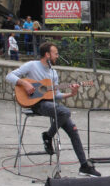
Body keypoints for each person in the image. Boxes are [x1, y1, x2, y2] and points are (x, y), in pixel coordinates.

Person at [6, 42, 101, 177]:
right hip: (36, 104)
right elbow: (9, 76)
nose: (57, 56)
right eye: (55, 53)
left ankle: (84, 166)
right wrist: (25, 83)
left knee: (73, 129)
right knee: (65, 112)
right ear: (47, 54)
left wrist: (71, 93)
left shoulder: (53, 73)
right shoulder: (32, 65)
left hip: (51, 105)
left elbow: (55, 95)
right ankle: (48, 136)